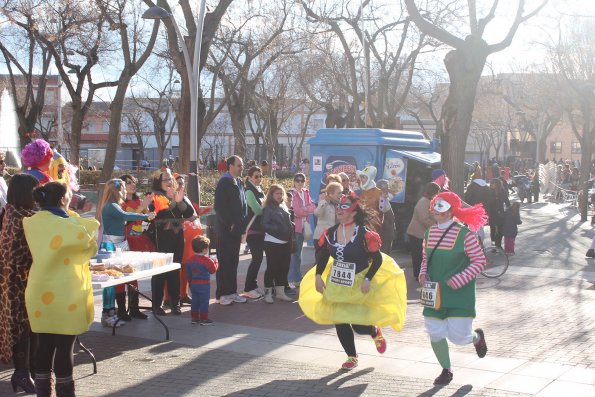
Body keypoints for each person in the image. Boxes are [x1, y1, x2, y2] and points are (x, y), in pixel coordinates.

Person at [300, 195, 407, 371]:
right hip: (337, 283)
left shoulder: (365, 234)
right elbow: (324, 256)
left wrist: (367, 279)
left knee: (359, 325)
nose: (340, 210)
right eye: (339, 207)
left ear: (354, 212)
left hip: (358, 283)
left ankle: (374, 331)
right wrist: (318, 275)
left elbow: (377, 260)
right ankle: (351, 356)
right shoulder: (331, 233)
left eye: (345, 207)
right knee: (340, 321)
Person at [24, 182, 99, 396]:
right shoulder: (69, 226)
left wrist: (67, 213)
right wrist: (70, 214)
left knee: (44, 344)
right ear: (62, 199)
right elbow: (89, 241)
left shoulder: (31, 222)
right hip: (67, 292)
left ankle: (43, 393)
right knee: (65, 347)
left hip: (39, 291)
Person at [419, 191, 488, 385]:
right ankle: (446, 370)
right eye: (436, 207)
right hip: (434, 293)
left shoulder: (465, 235)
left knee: (460, 336)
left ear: (451, 211)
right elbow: (426, 258)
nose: (437, 211)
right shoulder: (429, 233)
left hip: (459, 294)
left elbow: (480, 261)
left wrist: (460, 278)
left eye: (442, 207)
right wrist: (423, 273)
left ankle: (476, 338)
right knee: (435, 332)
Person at [0, 174, 39, 393]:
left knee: (25, 327)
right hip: (19, 281)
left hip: (12, 279)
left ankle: (28, 372)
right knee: (22, 327)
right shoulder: (23, 216)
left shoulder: (11, 212)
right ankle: (22, 373)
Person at [97, 179, 154, 326]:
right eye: (122, 189)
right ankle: (109, 312)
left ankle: (114, 312)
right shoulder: (111, 206)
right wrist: (146, 216)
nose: (124, 192)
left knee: (120, 277)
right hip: (111, 246)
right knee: (111, 280)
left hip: (118, 244)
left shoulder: (113, 205)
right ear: (116, 191)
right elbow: (126, 217)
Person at [147, 170, 195, 315]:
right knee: (159, 272)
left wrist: (179, 201)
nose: (169, 182)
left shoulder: (176, 193)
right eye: (165, 179)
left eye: (170, 179)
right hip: (161, 237)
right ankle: (156, 305)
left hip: (177, 237)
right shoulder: (154, 195)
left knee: (175, 269)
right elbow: (155, 214)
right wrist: (173, 200)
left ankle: (176, 303)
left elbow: (189, 214)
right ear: (159, 182)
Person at [119, 174, 154, 320]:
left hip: (138, 239)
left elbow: (148, 217)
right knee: (123, 275)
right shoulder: (120, 203)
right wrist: (143, 207)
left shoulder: (139, 201)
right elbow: (129, 218)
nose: (132, 185)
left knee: (135, 276)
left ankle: (134, 308)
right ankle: (121, 310)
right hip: (125, 240)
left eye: (133, 182)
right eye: (128, 183)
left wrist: (152, 209)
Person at [214, 155, 249, 305]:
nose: (242, 168)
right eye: (239, 165)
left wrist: (242, 224)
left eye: (242, 165)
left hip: (237, 230)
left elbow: (243, 205)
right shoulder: (224, 183)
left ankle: (232, 292)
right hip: (225, 231)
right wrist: (230, 224)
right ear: (230, 166)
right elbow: (220, 208)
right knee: (225, 262)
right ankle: (222, 294)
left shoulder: (239, 182)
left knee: (233, 261)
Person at [262, 184, 295, 303]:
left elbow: (288, 221)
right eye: (277, 193)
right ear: (271, 194)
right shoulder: (268, 208)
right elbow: (264, 224)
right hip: (272, 241)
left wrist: (290, 227)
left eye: (281, 193)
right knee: (272, 268)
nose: (280, 196)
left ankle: (280, 293)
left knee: (284, 267)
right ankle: (268, 294)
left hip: (285, 241)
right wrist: (279, 228)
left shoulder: (283, 206)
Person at [406, 182, 440, 279]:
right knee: (418, 255)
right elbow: (424, 219)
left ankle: (421, 274)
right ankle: (418, 275)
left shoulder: (428, 201)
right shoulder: (423, 201)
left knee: (422, 255)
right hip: (416, 233)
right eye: (437, 191)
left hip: (422, 233)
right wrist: (436, 227)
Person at [288, 172, 316, 289]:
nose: (300, 182)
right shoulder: (292, 193)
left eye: (302, 180)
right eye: (297, 180)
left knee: (298, 254)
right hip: (295, 227)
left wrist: (304, 209)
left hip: (304, 226)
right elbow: (297, 212)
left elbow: (313, 207)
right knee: (295, 255)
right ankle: (291, 279)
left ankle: (297, 278)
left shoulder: (306, 192)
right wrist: (306, 209)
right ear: (294, 181)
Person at [243, 166, 266, 299]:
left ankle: (253, 285)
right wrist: (267, 208)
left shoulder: (260, 190)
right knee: (256, 258)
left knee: (258, 258)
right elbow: (258, 210)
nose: (258, 179)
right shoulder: (249, 191)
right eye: (256, 176)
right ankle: (248, 287)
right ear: (250, 177)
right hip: (253, 230)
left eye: (260, 176)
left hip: (261, 229)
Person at [186, 235, 218, 325]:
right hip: (204, 285)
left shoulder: (190, 260)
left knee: (195, 301)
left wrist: (190, 284)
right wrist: (216, 261)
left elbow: (188, 274)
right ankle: (204, 319)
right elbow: (213, 270)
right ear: (204, 249)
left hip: (194, 284)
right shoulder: (207, 260)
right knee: (204, 302)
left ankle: (194, 318)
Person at [314, 182, 342, 258]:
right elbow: (316, 213)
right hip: (321, 237)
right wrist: (325, 202)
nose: (341, 195)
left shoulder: (340, 205)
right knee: (320, 262)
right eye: (338, 193)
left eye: (341, 193)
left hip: (334, 238)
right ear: (331, 194)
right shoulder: (323, 202)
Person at [356, 166, 383, 232]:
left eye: (364, 177)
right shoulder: (363, 192)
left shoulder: (379, 193)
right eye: (361, 177)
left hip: (373, 229)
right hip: (362, 227)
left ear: (370, 178)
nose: (361, 179)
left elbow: (384, 210)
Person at [487, 178, 509, 248]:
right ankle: (495, 244)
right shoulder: (490, 192)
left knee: (499, 230)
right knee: (494, 229)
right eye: (492, 184)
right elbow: (487, 203)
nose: (492, 185)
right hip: (493, 213)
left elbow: (507, 202)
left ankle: (497, 244)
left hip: (498, 213)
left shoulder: (501, 192)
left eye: (493, 183)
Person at [376, 179, 396, 254]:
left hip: (387, 234)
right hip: (384, 235)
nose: (389, 191)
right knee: (383, 256)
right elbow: (382, 212)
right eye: (387, 189)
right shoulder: (379, 200)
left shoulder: (384, 198)